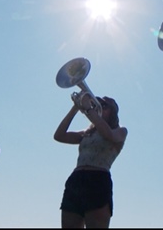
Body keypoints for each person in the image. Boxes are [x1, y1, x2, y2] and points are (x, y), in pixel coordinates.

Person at [54, 94, 127, 228]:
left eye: (104, 105)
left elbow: (108, 135)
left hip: (98, 180)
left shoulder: (120, 131)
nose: (99, 106)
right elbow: (59, 135)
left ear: (113, 112)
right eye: (97, 104)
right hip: (76, 180)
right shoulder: (87, 132)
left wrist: (88, 108)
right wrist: (75, 108)